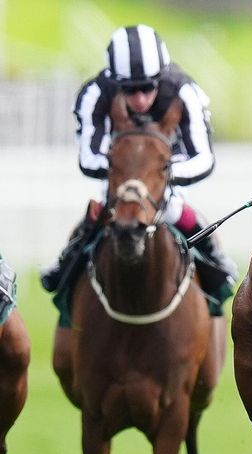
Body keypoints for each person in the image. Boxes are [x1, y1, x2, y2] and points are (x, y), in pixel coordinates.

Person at [41, 24, 237, 306]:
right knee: (101, 211)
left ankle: (215, 259)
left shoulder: (185, 91)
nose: (141, 99)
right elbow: (88, 157)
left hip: (165, 176)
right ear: (115, 82)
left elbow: (203, 158)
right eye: (130, 91)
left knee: (173, 209)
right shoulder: (95, 93)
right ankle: (67, 265)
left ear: (161, 77)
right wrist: (128, 175)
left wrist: (157, 175)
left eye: (147, 88)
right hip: (118, 176)